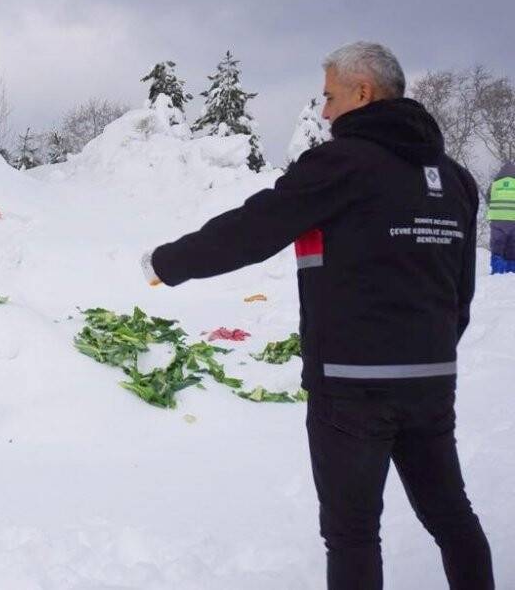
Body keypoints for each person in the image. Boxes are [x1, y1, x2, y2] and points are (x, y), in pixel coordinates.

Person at [141, 42, 493, 589]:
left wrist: (169, 262)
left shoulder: (343, 163)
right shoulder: (455, 179)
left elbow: (256, 228)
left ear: (363, 92)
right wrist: (431, 351)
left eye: (330, 97)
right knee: (451, 516)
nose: (325, 112)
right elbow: (461, 292)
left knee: (352, 534)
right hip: (429, 382)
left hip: (351, 388)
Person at [488, 161, 515, 274]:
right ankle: (511, 270)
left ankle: (497, 270)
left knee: (497, 246)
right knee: (513, 246)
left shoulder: (494, 185)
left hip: (497, 221)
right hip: (514, 220)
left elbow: (488, 199)